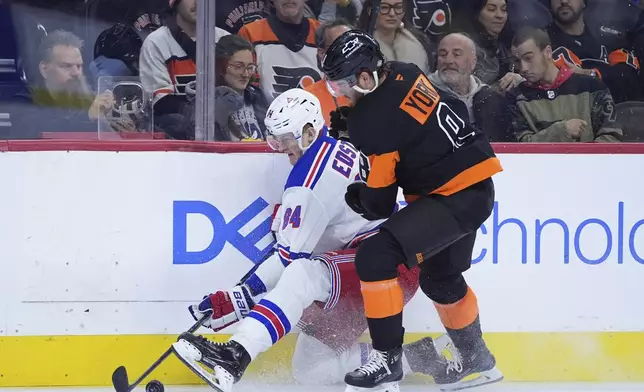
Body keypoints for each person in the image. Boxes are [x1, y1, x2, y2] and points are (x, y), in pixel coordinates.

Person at [171, 88, 452, 391]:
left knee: (302, 276)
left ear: (307, 132)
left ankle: (235, 355)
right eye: (273, 138)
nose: (278, 146)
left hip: (385, 264)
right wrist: (241, 294)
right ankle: (420, 357)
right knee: (310, 368)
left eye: (284, 138)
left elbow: (289, 261)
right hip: (389, 264)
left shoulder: (308, 181)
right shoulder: (333, 147)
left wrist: (241, 297)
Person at [321, 30, 504, 391]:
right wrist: (359, 128)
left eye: (344, 84)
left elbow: (379, 204)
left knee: (375, 257)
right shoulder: (405, 71)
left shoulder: (371, 120)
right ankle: (477, 362)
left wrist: (356, 188)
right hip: (476, 184)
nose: (340, 93)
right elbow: (406, 128)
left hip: (452, 194)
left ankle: (387, 360)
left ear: (366, 77)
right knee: (439, 278)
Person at [509, 26, 622, 142]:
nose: (523, 68)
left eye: (528, 58)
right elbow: (520, 149)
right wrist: (561, 131)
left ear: (548, 52)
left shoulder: (592, 88)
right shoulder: (516, 97)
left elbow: (611, 138)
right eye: (517, 61)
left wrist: (579, 157)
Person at [547, 0, 643, 103]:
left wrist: (591, 73)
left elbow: (628, 75)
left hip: (624, 110)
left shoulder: (608, 34)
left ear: (584, 2)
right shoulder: (544, 44)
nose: (564, 1)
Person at [429, 33, 514, 142]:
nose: (448, 61)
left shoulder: (492, 99)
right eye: (443, 54)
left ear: (473, 63)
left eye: (457, 54)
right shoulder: (424, 94)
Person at [214, 35, 268, 141]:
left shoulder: (257, 96)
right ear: (220, 66)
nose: (246, 74)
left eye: (250, 67)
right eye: (238, 67)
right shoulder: (207, 102)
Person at [357, 0, 434, 75]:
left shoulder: (420, 40)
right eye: (384, 7)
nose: (392, 13)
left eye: (398, 7)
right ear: (370, 11)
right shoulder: (358, 46)